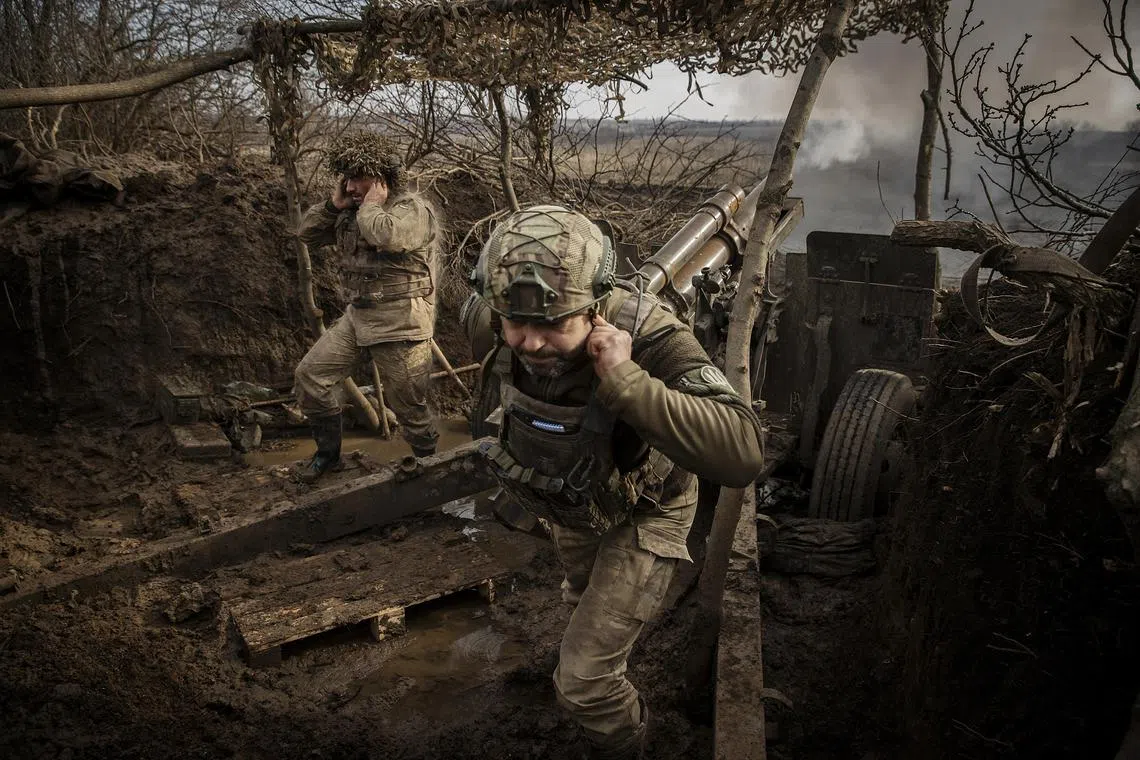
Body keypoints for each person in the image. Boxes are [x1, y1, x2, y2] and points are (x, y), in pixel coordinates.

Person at [463, 205, 765, 759]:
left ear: (596, 308)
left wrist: (626, 382)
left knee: (585, 684)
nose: (528, 342)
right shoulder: (490, 316)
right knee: (579, 600)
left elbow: (743, 450)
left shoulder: (652, 336)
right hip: (574, 499)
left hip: (647, 510)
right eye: (515, 323)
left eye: (553, 324)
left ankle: (629, 741)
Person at [292, 133, 441, 484]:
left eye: (358, 178)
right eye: (346, 178)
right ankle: (328, 457)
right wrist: (333, 207)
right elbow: (306, 234)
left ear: (382, 179)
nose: (350, 186)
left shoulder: (412, 209)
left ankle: (433, 472)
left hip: (400, 324)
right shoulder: (351, 212)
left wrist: (372, 204)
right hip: (357, 319)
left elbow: (387, 237)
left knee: (410, 409)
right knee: (311, 376)